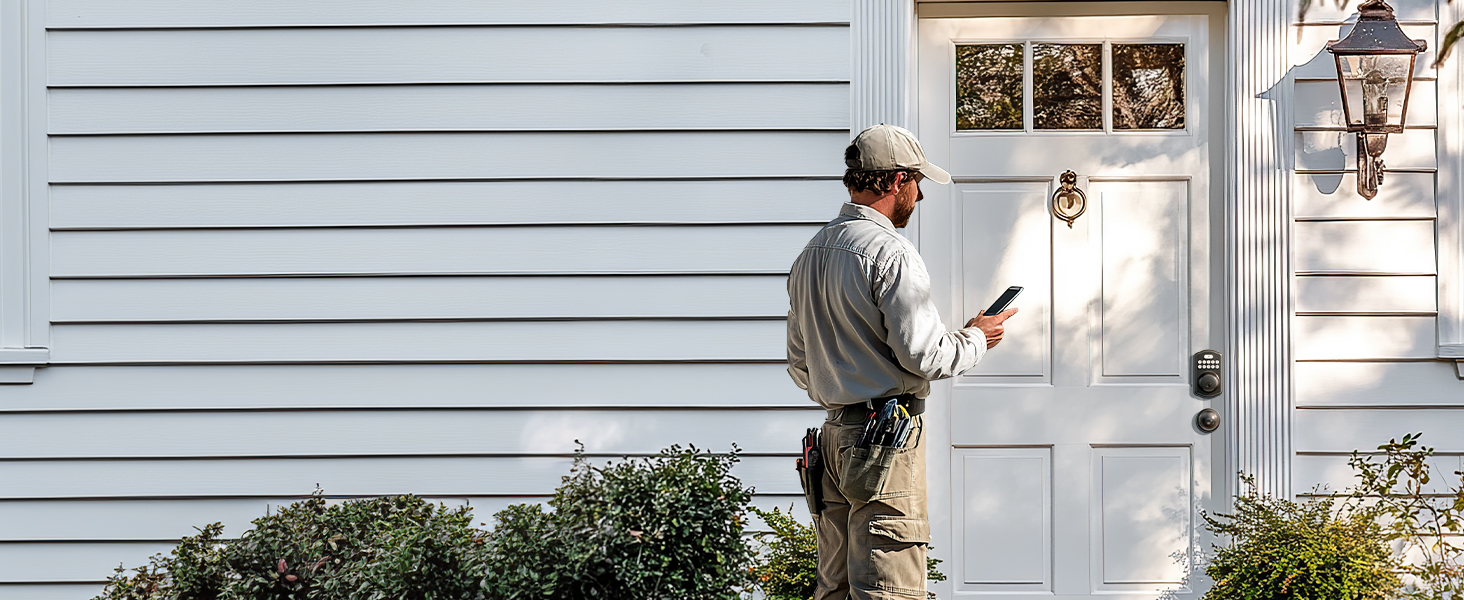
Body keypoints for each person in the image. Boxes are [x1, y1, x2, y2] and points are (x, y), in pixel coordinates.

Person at [786, 124, 1016, 600]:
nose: (920, 196)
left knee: (835, 589)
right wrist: (977, 336)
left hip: (833, 438)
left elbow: (800, 363)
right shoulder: (890, 252)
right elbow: (926, 355)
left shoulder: (810, 254)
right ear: (895, 181)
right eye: (918, 183)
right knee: (888, 591)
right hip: (885, 440)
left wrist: (843, 384)